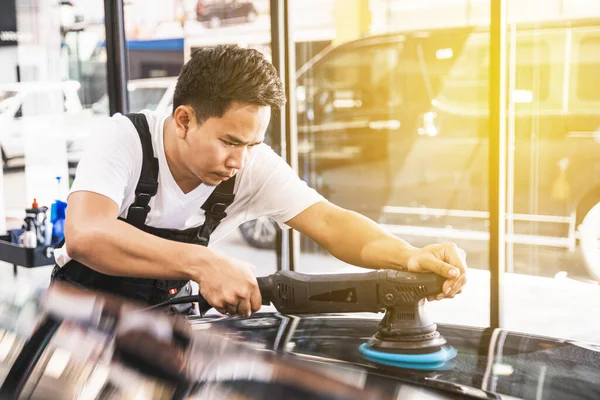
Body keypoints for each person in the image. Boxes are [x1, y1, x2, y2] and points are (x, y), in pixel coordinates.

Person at [52, 45, 467, 317]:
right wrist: (206, 263)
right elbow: (86, 234)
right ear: (184, 120)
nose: (239, 160)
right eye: (230, 141)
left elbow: (329, 223)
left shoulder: (251, 163)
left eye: (252, 144)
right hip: (78, 319)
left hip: (167, 322)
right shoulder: (125, 138)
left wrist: (408, 255)